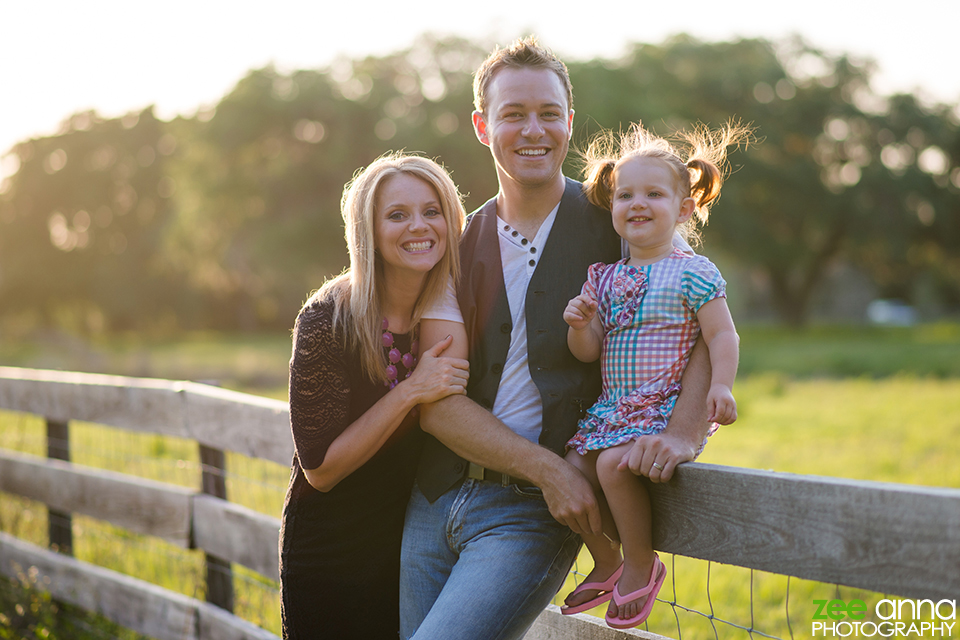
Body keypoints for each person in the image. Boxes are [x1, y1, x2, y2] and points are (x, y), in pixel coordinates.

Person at [399, 37, 715, 640]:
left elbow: (707, 325)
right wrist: (550, 469)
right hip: (434, 496)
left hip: (536, 513)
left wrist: (682, 431)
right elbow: (436, 408)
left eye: (548, 113)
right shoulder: (456, 245)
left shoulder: (623, 223)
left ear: (569, 121)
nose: (532, 129)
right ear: (481, 126)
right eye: (512, 114)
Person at [560, 122, 746, 628]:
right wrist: (579, 324)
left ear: (684, 209)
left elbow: (722, 336)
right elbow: (588, 352)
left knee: (612, 467)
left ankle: (641, 564)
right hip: (613, 406)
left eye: (654, 194)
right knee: (569, 473)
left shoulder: (692, 271)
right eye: (625, 195)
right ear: (613, 207)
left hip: (660, 405)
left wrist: (722, 386)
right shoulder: (605, 276)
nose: (637, 203)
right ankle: (607, 559)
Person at [279, 153, 469, 640]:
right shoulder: (327, 320)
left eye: (432, 211)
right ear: (368, 230)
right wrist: (411, 392)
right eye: (397, 215)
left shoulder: (450, 309)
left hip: (414, 549)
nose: (419, 227)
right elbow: (320, 469)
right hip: (333, 554)